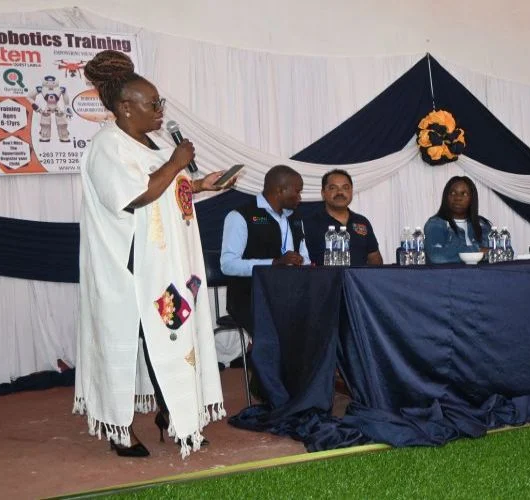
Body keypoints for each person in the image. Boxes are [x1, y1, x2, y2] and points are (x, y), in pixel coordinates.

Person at [74, 50, 229, 459]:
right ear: (126, 107)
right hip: (128, 269)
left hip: (164, 266)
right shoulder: (108, 146)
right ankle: (119, 426)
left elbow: (165, 191)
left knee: (170, 336)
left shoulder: (152, 143)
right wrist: (177, 162)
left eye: (160, 103)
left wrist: (201, 185)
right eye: (153, 103)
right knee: (128, 342)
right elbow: (136, 195)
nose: (161, 111)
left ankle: (174, 414)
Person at [220, 165, 310, 335]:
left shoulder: (296, 218)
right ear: (280, 190)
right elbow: (228, 265)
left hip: (290, 292)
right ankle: (262, 349)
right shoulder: (241, 215)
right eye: (297, 191)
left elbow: (304, 257)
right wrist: (274, 263)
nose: (300, 197)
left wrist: (304, 264)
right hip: (251, 296)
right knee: (281, 329)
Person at [304, 169, 383, 266]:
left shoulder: (362, 222)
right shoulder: (310, 223)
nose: (340, 192)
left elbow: (374, 258)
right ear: (323, 193)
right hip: (323, 276)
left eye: (345, 187)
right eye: (333, 188)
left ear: (351, 191)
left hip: (357, 277)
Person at [424, 176, 492, 264]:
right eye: (453, 193)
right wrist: (477, 251)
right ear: (446, 197)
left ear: (472, 198)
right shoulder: (436, 224)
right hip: (448, 273)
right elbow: (437, 257)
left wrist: (455, 253)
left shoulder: (482, 224)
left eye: (464, 194)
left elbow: (496, 253)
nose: (458, 198)